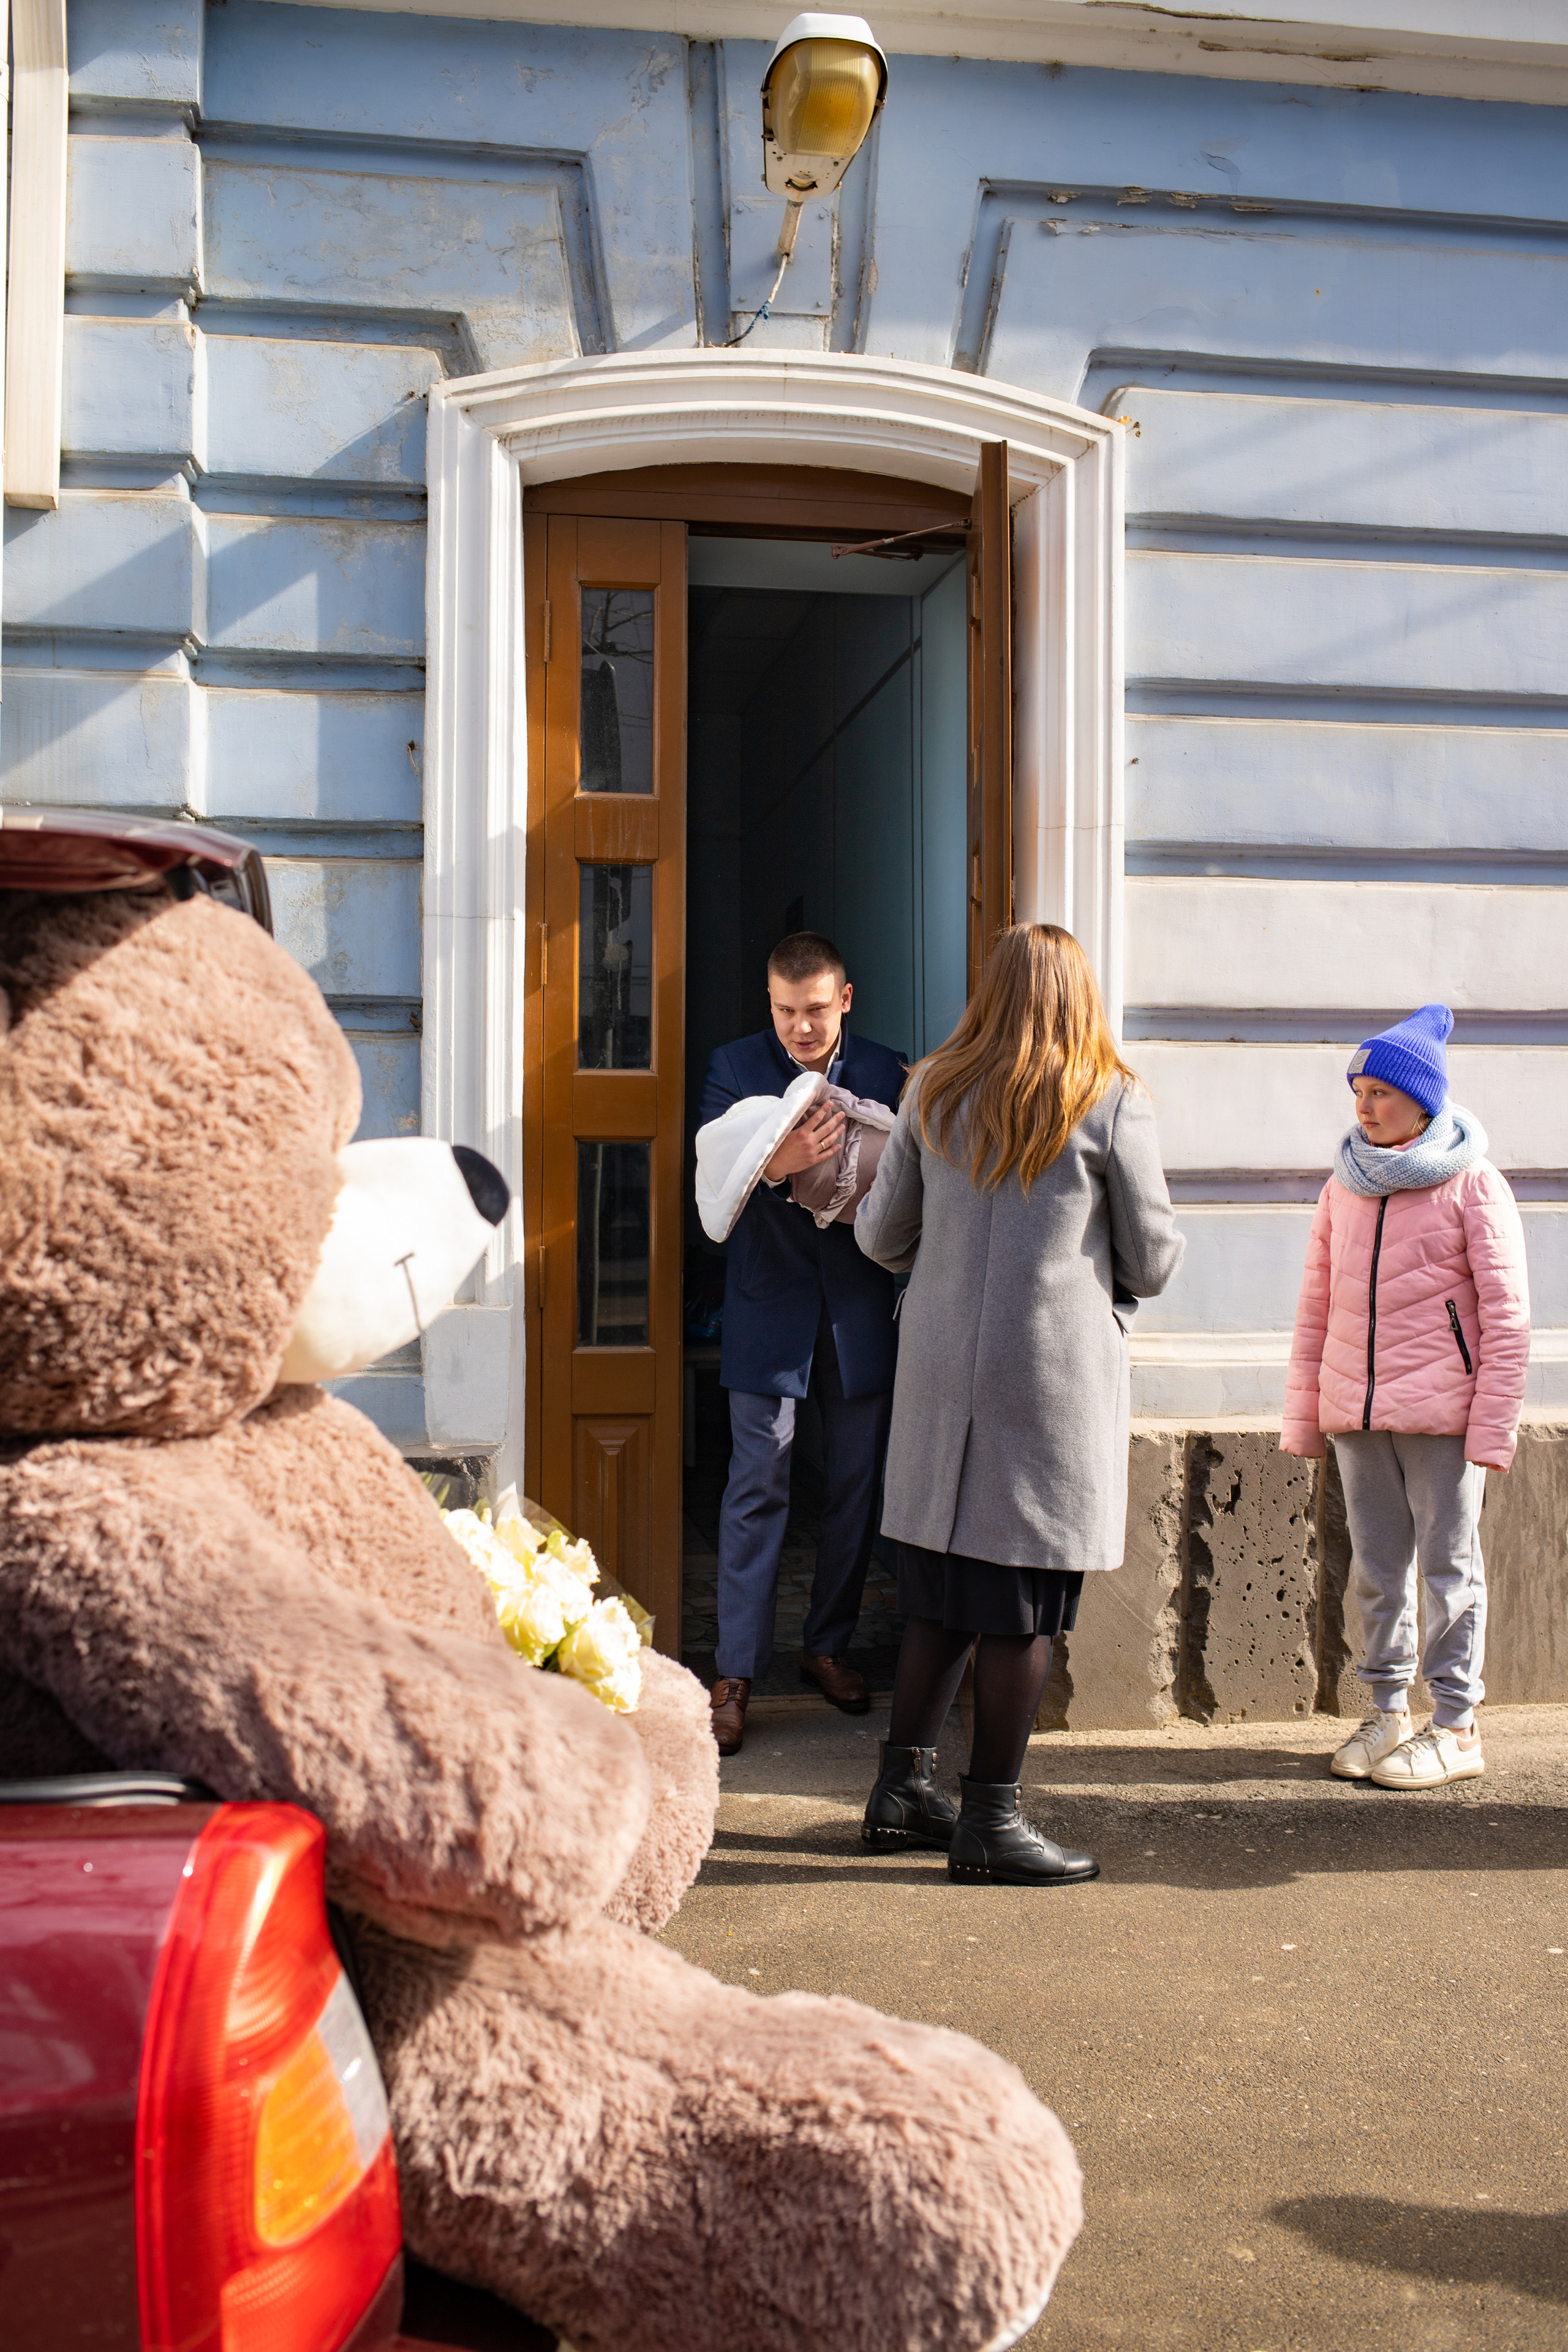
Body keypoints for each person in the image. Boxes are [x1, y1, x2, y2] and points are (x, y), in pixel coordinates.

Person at [854, 925, 1184, 1886]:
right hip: (1046, 1385)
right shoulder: (1110, 1100)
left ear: (991, 991)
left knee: (942, 1602)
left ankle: (901, 1792)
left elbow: (880, 1236)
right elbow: (1153, 1261)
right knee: (1020, 1611)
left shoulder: (932, 1089)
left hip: (940, 1378)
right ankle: (990, 1821)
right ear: (1079, 995)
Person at [1281, 1005, 1530, 1788]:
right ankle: (1388, 1711)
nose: (1364, 1104)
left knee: (1448, 1572)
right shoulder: (1342, 1187)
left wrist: (1492, 1426)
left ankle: (1455, 1728)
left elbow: (1507, 1314)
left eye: (1381, 1090)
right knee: (1377, 1571)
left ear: (1423, 1100)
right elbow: (1315, 1308)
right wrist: (1307, 1414)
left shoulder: (1472, 1185)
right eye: (1357, 1089)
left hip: (1442, 1417)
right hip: (1356, 1415)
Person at [696, 932, 906, 1757]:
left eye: (816, 1011)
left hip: (857, 1310)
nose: (801, 1030)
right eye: (786, 1012)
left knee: (854, 1489)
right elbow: (711, 1192)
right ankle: (735, 1673)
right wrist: (775, 1164)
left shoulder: (892, 1071)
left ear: (844, 1000)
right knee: (757, 1486)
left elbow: (919, 1191)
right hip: (765, 1308)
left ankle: (828, 1647)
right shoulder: (733, 1067)